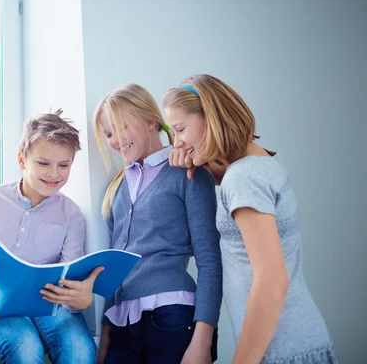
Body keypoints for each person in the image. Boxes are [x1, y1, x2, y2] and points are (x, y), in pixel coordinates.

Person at [163, 74, 338, 363]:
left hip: (282, 351)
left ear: (213, 118)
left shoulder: (242, 178)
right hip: (302, 343)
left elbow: (271, 280)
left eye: (181, 129)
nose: (177, 143)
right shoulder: (262, 162)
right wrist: (202, 166)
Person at [93, 84, 222, 364]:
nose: (115, 140)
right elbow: (113, 269)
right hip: (123, 326)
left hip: (173, 317)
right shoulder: (116, 189)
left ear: (150, 121)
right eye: (108, 133)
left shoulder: (188, 174)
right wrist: (105, 338)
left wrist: (203, 341)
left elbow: (210, 260)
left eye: (120, 127)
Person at [0, 110, 98, 364]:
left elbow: (70, 279)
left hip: (51, 301)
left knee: (80, 350)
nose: (54, 173)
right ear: (22, 160)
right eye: (43, 163)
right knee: (24, 346)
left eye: (64, 165)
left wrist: (80, 301)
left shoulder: (72, 215)